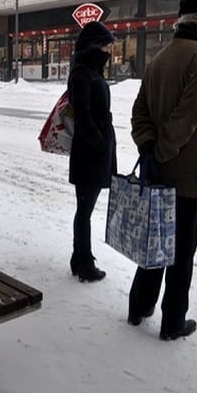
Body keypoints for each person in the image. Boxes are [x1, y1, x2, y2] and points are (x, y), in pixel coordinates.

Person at [127, 0, 197, 340]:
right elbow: (189, 115)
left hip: (158, 171)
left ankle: (139, 307)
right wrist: (162, 151)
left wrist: (149, 149)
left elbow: (139, 112)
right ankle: (172, 323)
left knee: (155, 243)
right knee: (182, 253)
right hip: (188, 174)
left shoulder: (160, 58)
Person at [67, 20, 117, 282]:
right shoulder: (82, 74)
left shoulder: (91, 71)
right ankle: (84, 263)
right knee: (85, 210)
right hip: (89, 153)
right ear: (93, 47)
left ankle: (79, 258)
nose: (109, 51)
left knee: (84, 208)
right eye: (106, 46)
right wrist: (99, 142)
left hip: (95, 151)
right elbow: (83, 116)